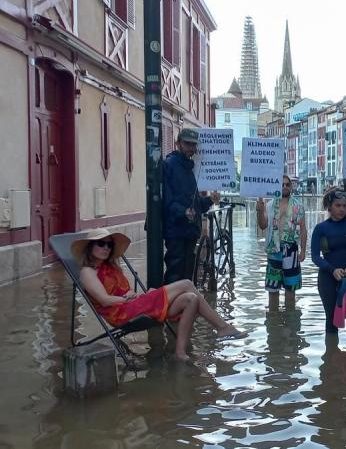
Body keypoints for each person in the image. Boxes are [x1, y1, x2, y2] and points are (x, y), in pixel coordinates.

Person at [73, 228, 247, 362]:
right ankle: (223, 327)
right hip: (120, 314)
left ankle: (180, 353)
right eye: (101, 244)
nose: (106, 248)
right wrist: (129, 298)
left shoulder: (110, 268)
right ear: (90, 247)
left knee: (191, 299)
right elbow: (104, 300)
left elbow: (124, 292)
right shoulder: (87, 272)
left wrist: (133, 295)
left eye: (109, 245)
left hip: (130, 306)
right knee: (186, 284)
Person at [163, 128, 220, 284]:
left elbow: (195, 204)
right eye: (187, 144)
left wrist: (209, 200)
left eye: (194, 145)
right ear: (178, 143)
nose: (192, 149)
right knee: (175, 273)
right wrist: (183, 212)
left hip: (190, 231)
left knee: (187, 273)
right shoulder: (169, 165)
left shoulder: (189, 167)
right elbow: (166, 200)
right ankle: (170, 306)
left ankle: (184, 305)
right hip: (176, 231)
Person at [311, 188, 346, 335]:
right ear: (329, 207)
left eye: (344, 205)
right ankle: (331, 355)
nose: (342, 209)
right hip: (328, 277)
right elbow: (315, 257)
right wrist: (332, 270)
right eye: (338, 205)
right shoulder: (320, 229)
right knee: (331, 321)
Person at [256, 174, 307, 309]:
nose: (284, 187)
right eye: (282, 184)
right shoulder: (269, 205)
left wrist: (303, 251)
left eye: (287, 184)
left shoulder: (298, 206)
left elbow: (303, 229)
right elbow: (262, 225)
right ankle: (274, 323)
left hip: (291, 250)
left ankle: (290, 323)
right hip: (274, 250)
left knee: (291, 290)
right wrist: (259, 211)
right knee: (273, 290)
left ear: (291, 187)